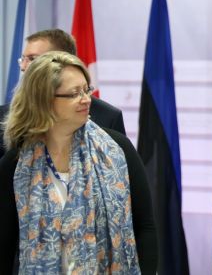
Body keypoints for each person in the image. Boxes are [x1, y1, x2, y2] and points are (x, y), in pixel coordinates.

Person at [0, 51, 157, 273]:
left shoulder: (117, 149)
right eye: (74, 93)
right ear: (44, 100)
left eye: (86, 90)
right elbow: (4, 244)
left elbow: (145, 227)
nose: (86, 99)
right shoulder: (16, 164)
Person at [0, 29, 126, 158]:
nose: (23, 66)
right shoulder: (4, 118)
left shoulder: (108, 118)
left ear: (61, 59)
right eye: (23, 59)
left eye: (32, 59)